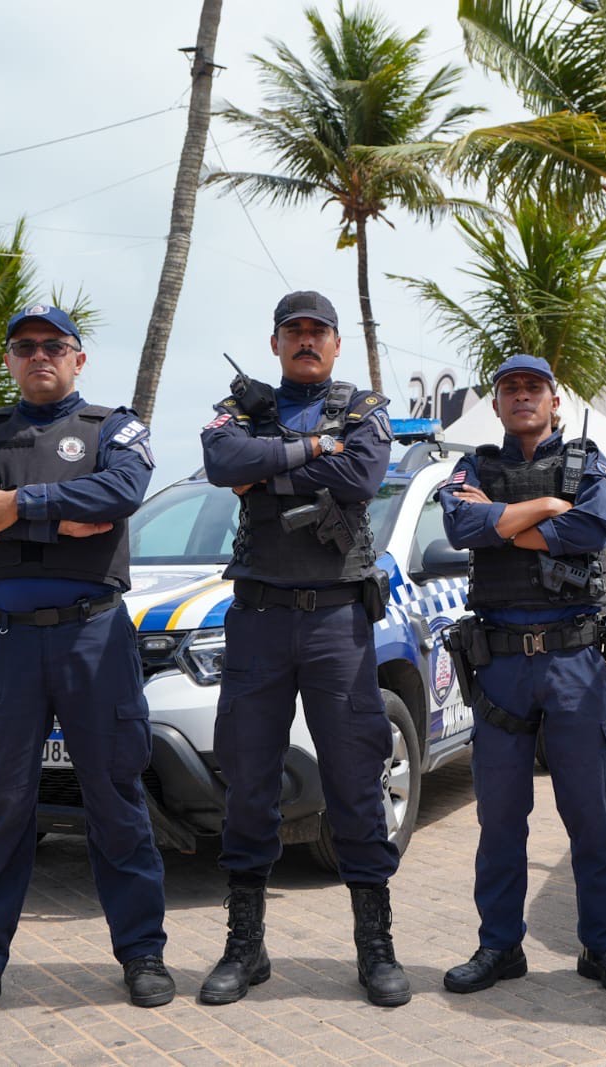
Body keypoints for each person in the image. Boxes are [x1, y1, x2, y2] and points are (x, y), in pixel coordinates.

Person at [0, 304, 170, 1027]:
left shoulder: (113, 428)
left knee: (116, 799)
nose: (40, 355)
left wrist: (19, 504)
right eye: (25, 345)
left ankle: (142, 954)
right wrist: (66, 518)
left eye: (54, 346)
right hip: (5, 644)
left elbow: (120, 495)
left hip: (93, 637)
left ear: (77, 358)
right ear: (10, 359)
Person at [198, 290, 409, 1008]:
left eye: (319, 331)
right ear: (276, 342)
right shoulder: (243, 408)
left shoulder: (363, 408)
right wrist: (315, 448)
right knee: (248, 781)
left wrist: (268, 470)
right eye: (295, 331)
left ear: (337, 344)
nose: (307, 341)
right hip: (258, 619)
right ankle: (245, 947)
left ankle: (375, 946)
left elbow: (363, 477)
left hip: (336, 623)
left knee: (355, 781)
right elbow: (221, 459)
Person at [438, 354, 606, 998]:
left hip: (572, 663)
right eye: (511, 389)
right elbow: (460, 525)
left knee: (590, 818)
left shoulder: (587, 464)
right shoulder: (473, 467)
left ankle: (602, 948)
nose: (523, 396)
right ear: (498, 404)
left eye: (535, 388)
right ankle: (499, 947)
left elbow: (594, 526)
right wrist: (546, 507)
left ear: (555, 401)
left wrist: (503, 522)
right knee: (500, 820)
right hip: (500, 665)